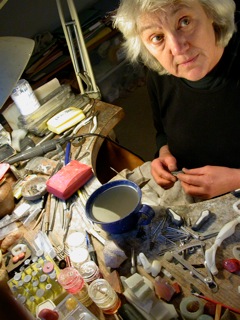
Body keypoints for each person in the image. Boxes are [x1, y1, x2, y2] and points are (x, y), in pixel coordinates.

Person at [113, 0, 240, 200]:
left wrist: (236, 180)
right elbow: (163, 132)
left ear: (212, 14)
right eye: (157, 37)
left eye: (184, 22)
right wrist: (164, 154)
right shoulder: (159, 77)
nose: (177, 48)